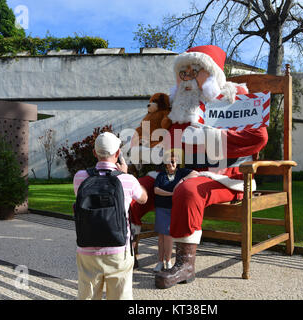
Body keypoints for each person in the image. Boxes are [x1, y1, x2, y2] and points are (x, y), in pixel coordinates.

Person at [128, 45, 268, 289]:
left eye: (195, 72)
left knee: (188, 190)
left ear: (212, 74)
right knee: (134, 187)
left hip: (221, 175)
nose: (188, 78)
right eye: (183, 73)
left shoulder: (235, 99)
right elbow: (165, 141)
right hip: (177, 170)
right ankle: (126, 253)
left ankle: (185, 265)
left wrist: (209, 137)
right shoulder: (178, 107)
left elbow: (259, 137)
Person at [73, 132, 148, 300]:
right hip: (118, 250)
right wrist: (127, 173)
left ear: (94, 153)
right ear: (117, 154)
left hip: (87, 249)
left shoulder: (80, 178)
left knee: (87, 296)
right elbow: (144, 199)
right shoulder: (127, 180)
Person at [153, 152, 198, 272]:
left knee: (167, 235)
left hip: (173, 208)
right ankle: (160, 262)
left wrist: (183, 180)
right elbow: (156, 190)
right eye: (169, 161)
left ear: (177, 162)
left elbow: (195, 173)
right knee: (161, 236)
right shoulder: (161, 175)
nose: (172, 163)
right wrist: (171, 194)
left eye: (174, 161)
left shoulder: (181, 172)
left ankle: (167, 261)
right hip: (161, 207)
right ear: (166, 163)